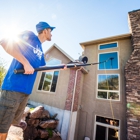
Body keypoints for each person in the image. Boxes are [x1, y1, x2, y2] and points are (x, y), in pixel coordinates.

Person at [0, 21, 55, 140]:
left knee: (10, 122)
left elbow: (42, 68)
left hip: (25, 92)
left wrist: (65, 66)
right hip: (13, 88)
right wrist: (25, 63)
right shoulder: (30, 36)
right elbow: (4, 42)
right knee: (2, 127)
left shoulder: (40, 51)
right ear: (45, 30)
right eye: (51, 31)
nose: (52, 34)